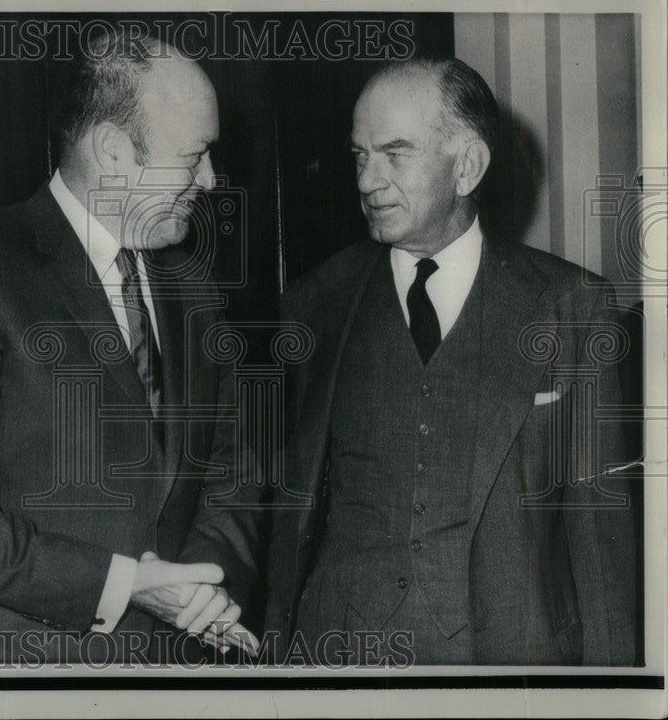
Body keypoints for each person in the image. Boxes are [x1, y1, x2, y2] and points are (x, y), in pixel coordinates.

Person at [0, 31, 261, 664]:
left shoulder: (194, 286)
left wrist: (203, 583)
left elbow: (233, 470)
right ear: (112, 150)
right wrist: (120, 585)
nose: (211, 181)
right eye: (194, 156)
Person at [263, 57, 637, 665]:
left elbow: (602, 548)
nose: (366, 180)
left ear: (467, 165)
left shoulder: (575, 308)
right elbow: (288, 519)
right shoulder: (313, 303)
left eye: (394, 153)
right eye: (359, 155)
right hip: (339, 660)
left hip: (514, 663)